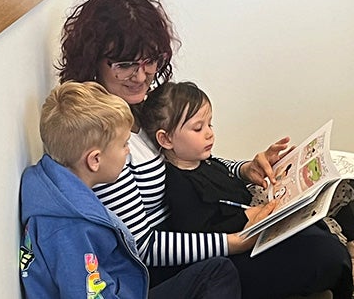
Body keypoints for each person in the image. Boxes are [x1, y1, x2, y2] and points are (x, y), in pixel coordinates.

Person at [56, 0, 354, 295]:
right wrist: (235, 241)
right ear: (94, 61)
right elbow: (145, 247)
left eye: (150, 60)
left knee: (314, 215)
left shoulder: (140, 107)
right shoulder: (103, 135)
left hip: (205, 231)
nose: (141, 75)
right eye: (125, 65)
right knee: (322, 254)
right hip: (182, 265)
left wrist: (244, 170)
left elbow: (192, 165)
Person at [136, 80, 354, 288]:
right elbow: (205, 221)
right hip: (244, 227)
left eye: (210, 124)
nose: (210, 134)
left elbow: (222, 173)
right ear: (165, 139)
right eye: (199, 128)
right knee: (320, 233)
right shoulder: (176, 183)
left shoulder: (201, 159)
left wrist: (259, 171)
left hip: (256, 206)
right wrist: (250, 215)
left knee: (331, 186)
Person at [19, 81, 242, 299]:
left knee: (217, 270)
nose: (128, 152)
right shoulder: (67, 228)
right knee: (218, 273)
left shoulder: (64, 191)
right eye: (124, 144)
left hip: (128, 286)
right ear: (95, 160)